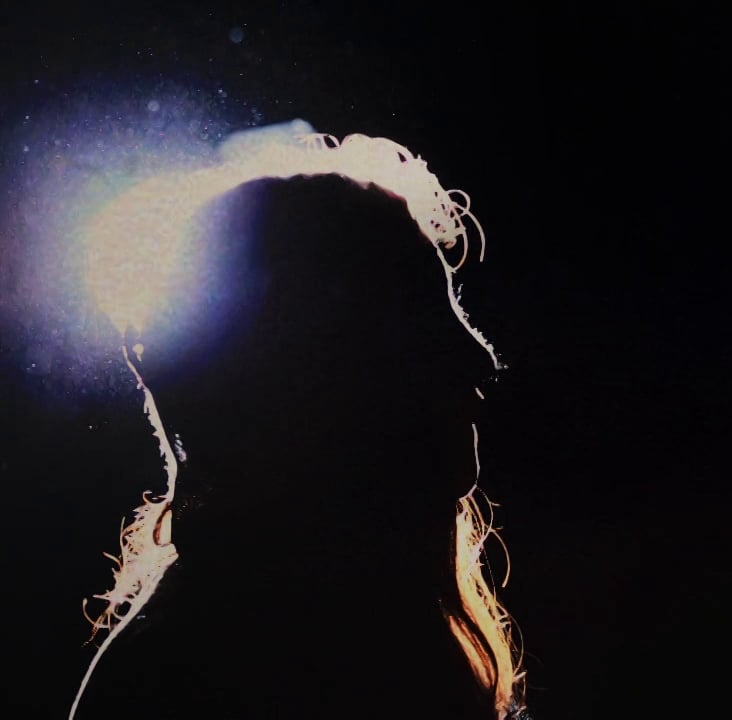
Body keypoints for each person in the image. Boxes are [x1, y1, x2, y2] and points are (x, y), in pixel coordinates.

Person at [68, 174, 519, 719]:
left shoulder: (354, 635)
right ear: (299, 370)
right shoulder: (176, 681)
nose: (479, 356)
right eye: (417, 309)